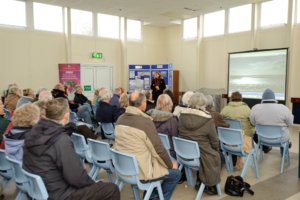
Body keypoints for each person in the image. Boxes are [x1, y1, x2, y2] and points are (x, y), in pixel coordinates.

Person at [22, 98, 120, 200]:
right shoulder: (60, 140)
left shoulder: (33, 132)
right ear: (66, 114)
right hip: (61, 194)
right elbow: (76, 177)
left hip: (40, 190)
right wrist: (92, 183)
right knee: (112, 189)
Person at [115, 92, 181, 200]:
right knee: (176, 173)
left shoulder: (120, 119)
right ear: (144, 104)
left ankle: (152, 195)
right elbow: (158, 149)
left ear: (128, 103)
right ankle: (157, 197)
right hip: (141, 171)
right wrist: (170, 164)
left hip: (123, 168)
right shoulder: (145, 122)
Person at [178, 93, 224, 195]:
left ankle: (201, 180)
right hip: (201, 155)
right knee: (219, 155)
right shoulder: (207, 119)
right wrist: (216, 148)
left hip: (183, 155)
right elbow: (215, 143)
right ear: (204, 103)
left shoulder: (181, 115)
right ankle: (209, 184)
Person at [250, 89, 293, 155]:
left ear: (262, 98)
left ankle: (266, 147)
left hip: (262, 138)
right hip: (280, 139)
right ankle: (283, 152)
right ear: (274, 98)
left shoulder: (255, 108)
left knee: (255, 133)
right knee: (285, 131)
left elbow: (252, 123)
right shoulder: (284, 108)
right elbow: (290, 124)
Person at [220, 91, 255, 169]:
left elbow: (220, 119)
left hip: (230, 135)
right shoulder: (246, 108)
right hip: (245, 134)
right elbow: (253, 122)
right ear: (241, 98)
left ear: (231, 98)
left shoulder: (226, 108)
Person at [147, 94, 178, 159]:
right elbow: (176, 137)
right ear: (170, 104)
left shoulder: (149, 117)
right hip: (169, 154)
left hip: (154, 152)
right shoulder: (172, 119)